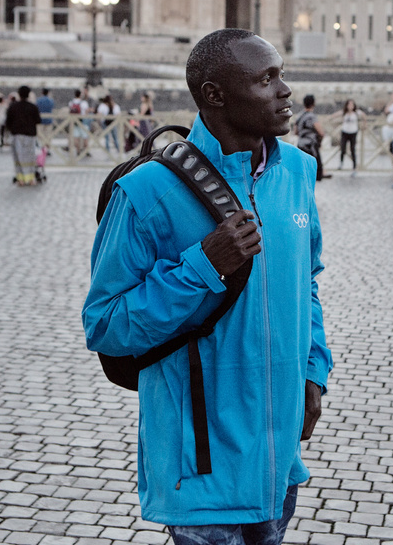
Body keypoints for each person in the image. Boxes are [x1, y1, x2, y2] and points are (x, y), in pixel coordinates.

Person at [83, 28, 331, 543]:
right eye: (266, 79)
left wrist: (313, 371)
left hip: (277, 456)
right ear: (215, 95)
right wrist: (202, 265)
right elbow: (105, 325)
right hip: (198, 463)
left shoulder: (299, 171)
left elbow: (306, 283)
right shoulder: (144, 191)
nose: (285, 90)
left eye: (281, 75)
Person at [6, 85, 42, 186]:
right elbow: (38, 120)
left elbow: (8, 122)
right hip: (30, 135)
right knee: (30, 157)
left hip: (17, 135)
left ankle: (20, 179)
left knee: (18, 157)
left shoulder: (13, 106)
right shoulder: (33, 107)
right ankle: (31, 179)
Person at [295, 94, 329, 181]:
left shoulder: (299, 116)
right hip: (311, 146)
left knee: (302, 170)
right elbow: (321, 132)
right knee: (316, 170)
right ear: (313, 104)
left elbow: (296, 132)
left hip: (301, 145)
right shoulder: (311, 116)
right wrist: (319, 140)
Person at [332, 99, 363, 175]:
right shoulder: (344, 112)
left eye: (352, 105)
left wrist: (364, 124)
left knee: (353, 150)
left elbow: (364, 115)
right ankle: (341, 163)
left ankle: (354, 167)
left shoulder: (356, 113)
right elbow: (335, 115)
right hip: (345, 132)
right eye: (349, 104)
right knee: (343, 148)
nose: (350, 106)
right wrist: (328, 119)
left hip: (353, 132)